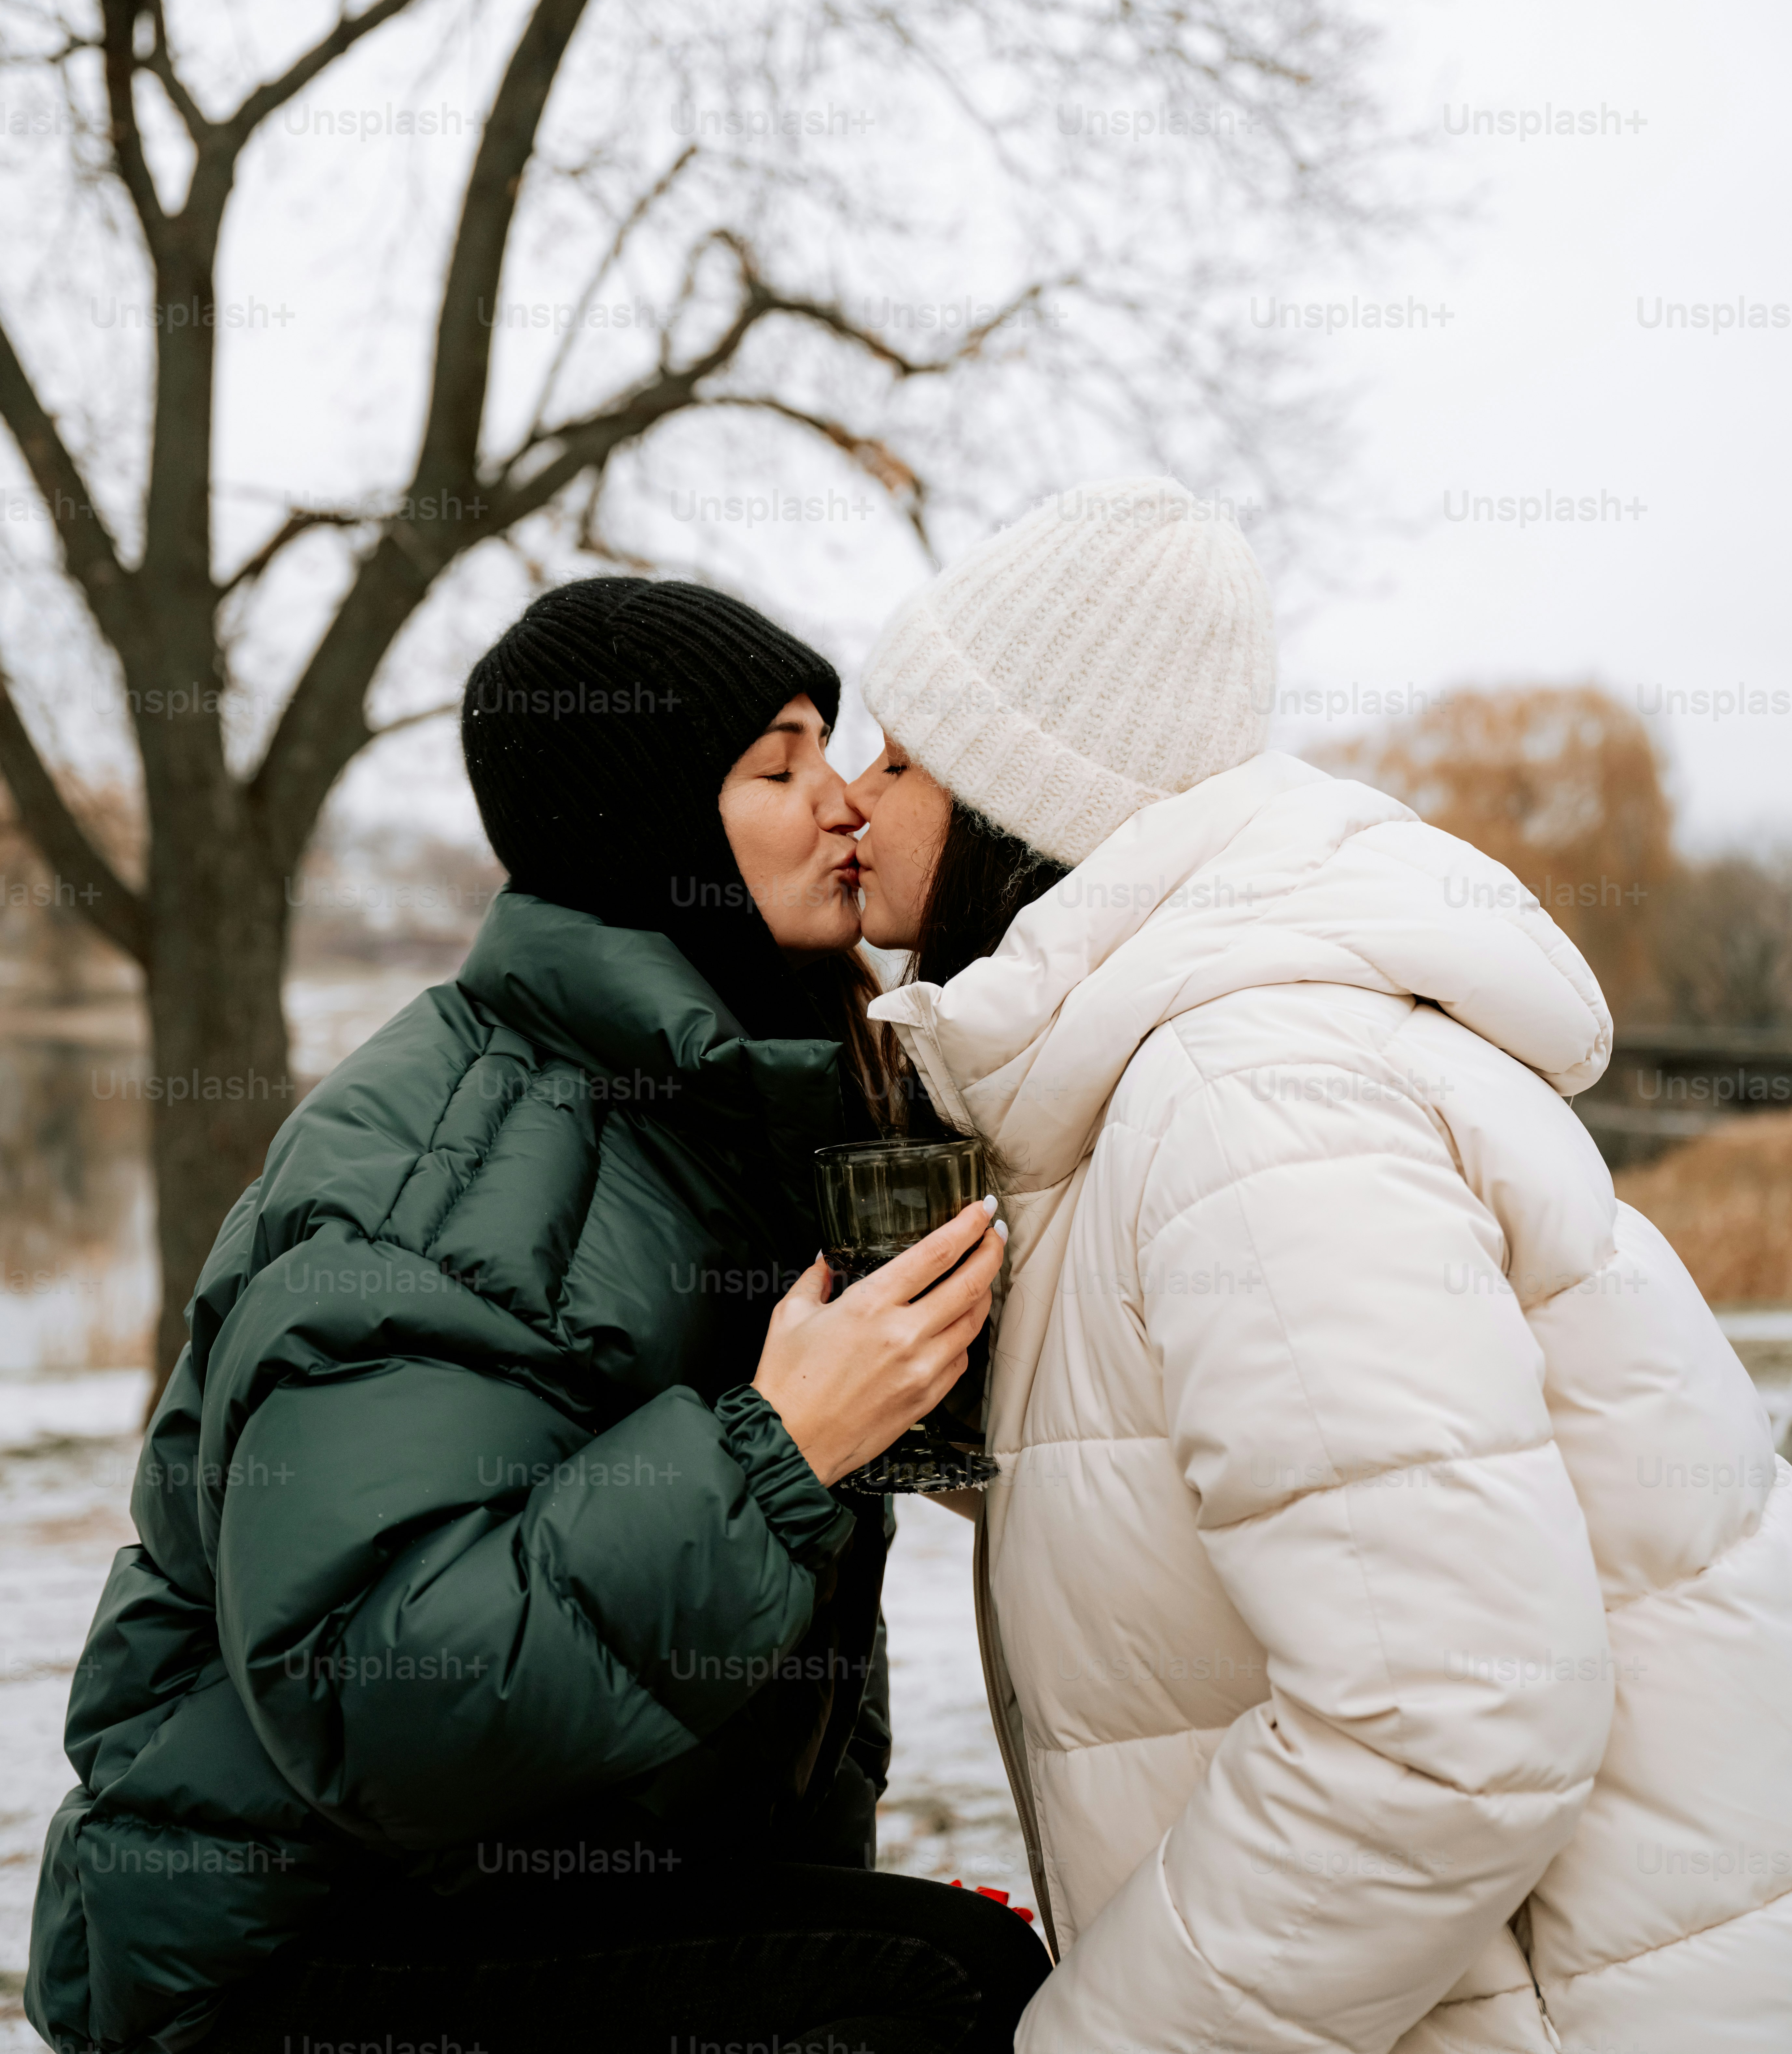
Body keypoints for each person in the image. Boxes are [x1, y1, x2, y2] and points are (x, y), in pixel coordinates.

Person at [28, 578, 1046, 2054]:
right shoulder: (453, 1162)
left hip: (499, 1893)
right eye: (777, 765)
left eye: (832, 749)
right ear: (647, 835)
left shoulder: (717, 1110)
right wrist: (775, 1454)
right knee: (936, 1992)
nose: (842, 803)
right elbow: (369, 1681)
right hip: (279, 1950)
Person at [844, 476, 1792, 2054]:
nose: (855, 800)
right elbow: (1186, 1479)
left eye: (899, 754)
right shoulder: (1172, 1083)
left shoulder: (1250, 1098)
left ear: (1027, 793)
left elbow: (1447, 1727)